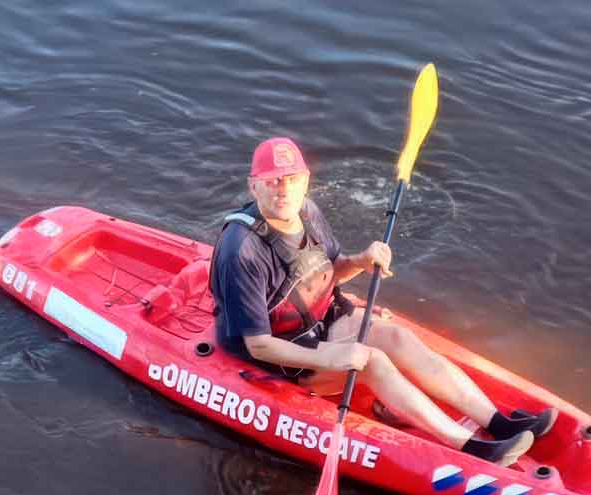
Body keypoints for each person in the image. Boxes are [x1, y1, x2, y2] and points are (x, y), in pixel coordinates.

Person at [209, 136, 555, 467]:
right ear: (254, 187)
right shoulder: (242, 250)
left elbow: (331, 271)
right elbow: (259, 346)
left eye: (291, 179)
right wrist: (330, 356)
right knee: (373, 362)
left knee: (397, 337)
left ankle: (498, 423)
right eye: (272, 181)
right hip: (280, 355)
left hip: (317, 323)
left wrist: (361, 261)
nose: (283, 189)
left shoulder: (307, 212)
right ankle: (472, 448)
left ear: (306, 181)